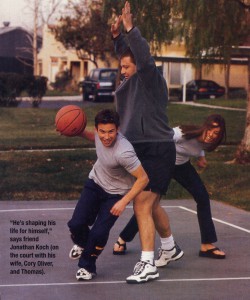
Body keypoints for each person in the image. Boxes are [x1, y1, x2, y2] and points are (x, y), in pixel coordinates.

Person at [111, 1, 183, 284]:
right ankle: (170, 248)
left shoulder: (150, 79)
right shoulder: (130, 80)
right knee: (151, 205)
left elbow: (141, 57)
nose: (123, 70)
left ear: (139, 66)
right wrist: (118, 38)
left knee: (141, 203)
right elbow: (128, 56)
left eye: (127, 66)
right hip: (140, 147)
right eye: (122, 66)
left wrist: (130, 28)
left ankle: (147, 263)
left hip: (157, 147)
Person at [113, 114, 227, 261]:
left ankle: (207, 244)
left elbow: (199, 147)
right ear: (204, 127)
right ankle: (123, 239)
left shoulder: (207, 142)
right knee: (149, 204)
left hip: (181, 166)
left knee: (203, 197)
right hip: (162, 165)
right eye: (210, 129)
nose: (212, 135)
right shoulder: (182, 133)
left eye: (216, 133)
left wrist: (201, 157)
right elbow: (160, 139)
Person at [67, 109, 149, 281]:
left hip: (116, 194)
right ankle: (84, 244)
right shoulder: (99, 135)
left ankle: (86, 266)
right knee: (76, 224)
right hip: (95, 183)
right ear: (97, 129)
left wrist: (124, 202)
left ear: (117, 129)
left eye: (111, 131)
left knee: (98, 233)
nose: (106, 136)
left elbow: (143, 179)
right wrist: (76, 131)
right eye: (102, 131)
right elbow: (93, 138)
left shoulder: (124, 152)